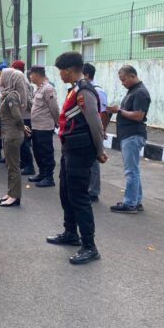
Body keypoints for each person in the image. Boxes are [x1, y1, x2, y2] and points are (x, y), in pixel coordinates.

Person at [47, 51, 107, 265]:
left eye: (61, 71)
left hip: (81, 152)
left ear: (69, 70)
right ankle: (70, 232)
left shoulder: (84, 91)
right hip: (70, 150)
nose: (60, 75)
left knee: (80, 198)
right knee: (66, 193)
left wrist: (99, 150)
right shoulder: (75, 90)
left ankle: (90, 246)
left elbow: (95, 123)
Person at [106, 65, 151, 214]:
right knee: (133, 170)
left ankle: (130, 203)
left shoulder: (140, 93)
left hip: (133, 135)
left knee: (131, 171)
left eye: (124, 79)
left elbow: (138, 115)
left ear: (132, 76)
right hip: (129, 135)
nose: (122, 82)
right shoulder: (133, 91)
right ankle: (136, 201)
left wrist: (118, 110)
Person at [0, 68, 28, 207]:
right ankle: (10, 192)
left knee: (13, 166)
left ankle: (15, 196)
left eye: (2, 74)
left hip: (12, 135)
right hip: (8, 134)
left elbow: (17, 116)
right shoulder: (7, 94)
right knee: (10, 166)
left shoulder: (12, 96)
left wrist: (22, 128)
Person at [28, 66, 60, 187]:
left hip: (44, 126)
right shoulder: (39, 88)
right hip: (36, 126)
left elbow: (54, 108)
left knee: (46, 152)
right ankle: (42, 173)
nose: (30, 77)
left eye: (31, 74)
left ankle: (48, 177)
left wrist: (57, 122)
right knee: (37, 151)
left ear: (36, 74)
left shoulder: (48, 88)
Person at [83, 63, 109, 201]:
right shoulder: (84, 89)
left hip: (94, 130)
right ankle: (88, 188)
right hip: (85, 131)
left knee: (94, 161)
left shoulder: (97, 91)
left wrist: (102, 132)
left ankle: (93, 191)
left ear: (86, 75)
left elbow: (103, 113)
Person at [11, 60, 35, 176]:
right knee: (21, 141)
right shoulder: (20, 79)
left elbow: (27, 100)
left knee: (24, 141)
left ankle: (29, 166)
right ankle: (24, 163)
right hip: (22, 114)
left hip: (24, 115)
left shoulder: (22, 81)